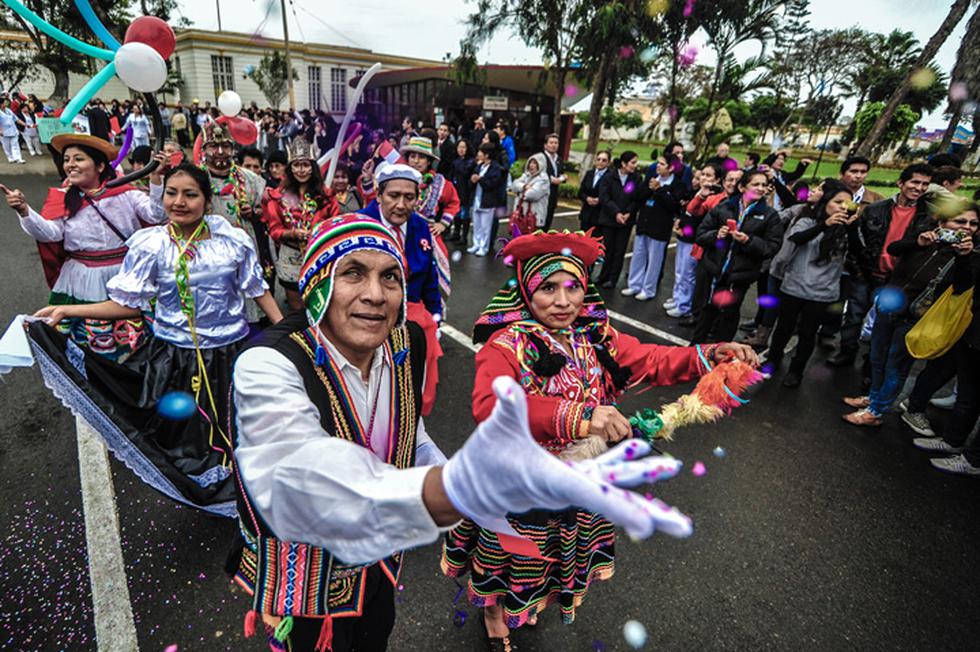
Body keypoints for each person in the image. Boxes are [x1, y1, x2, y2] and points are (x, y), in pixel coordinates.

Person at [227, 215, 693, 652]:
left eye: (390, 277)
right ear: (317, 283)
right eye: (353, 273)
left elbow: (411, 433)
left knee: (375, 634)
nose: (375, 294)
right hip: (306, 572)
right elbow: (299, 475)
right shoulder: (266, 362)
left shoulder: (403, 340)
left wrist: (467, 489)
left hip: (383, 559)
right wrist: (455, 487)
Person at [443, 230, 758, 650]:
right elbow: (490, 406)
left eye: (573, 287)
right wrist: (581, 417)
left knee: (552, 551)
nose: (563, 301)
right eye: (548, 288)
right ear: (525, 290)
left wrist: (711, 354)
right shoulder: (506, 345)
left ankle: (529, 599)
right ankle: (495, 613)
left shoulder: (592, 337)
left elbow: (653, 359)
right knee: (514, 552)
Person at [27, 163, 281, 515]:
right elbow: (127, 306)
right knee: (183, 440)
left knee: (238, 428)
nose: (179, 202)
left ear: (206, 201)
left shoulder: (234, 241)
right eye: (172, 193)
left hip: (229, 354)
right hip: (174, 359)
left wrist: (288, 334)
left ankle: (248, 495)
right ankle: (202, 492)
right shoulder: (151, 245)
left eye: (190, 194)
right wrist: (67, 312)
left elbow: (258, 290)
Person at [4, 134, 167, 358]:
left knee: (132, 343)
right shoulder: (62, 198)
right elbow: (50, 233)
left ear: (100, 165)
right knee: (86, 346)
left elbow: (156, 214)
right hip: (81, 279)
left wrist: (156, 179)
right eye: (67, 159)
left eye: (79, 159)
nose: (70, 164)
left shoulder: (126, 194)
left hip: (123, 274)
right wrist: (24, 211)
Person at [842, 202, 978, 426]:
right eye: (960, 221)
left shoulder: (971, 255)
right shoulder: (926, 239)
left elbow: (963, 287)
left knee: (895, 366)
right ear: (942, 223)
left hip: (915, 319)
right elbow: (893, 249)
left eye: (973, 223)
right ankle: (873, 398)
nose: (967, 227)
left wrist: (963, 256)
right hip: (888, 308)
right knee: (877, 358)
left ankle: (876, 412)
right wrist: (918, 242)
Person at [828, 163, 935, 367]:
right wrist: (858, 269)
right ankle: (847, 352)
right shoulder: (876, 209)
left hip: (897, 279)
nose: (919, 188)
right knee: (854, 316)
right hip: (866, 273)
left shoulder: (929, 217)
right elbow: (858, 242)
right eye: (915, 182)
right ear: (901, 183)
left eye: (925, 184)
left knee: (882, 324)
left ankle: (871, 363)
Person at [909, 211, 980, 475]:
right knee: (968, 397)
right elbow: (964, 286)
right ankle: (952, 442)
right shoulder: (974, 251)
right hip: (971, 333)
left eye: (974, 223)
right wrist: (964, 257)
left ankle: (973, 460)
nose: (969, 228)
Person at [765, 181, 856, 387]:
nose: (842, 207)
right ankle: (773, 360)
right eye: (837, 202)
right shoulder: (807, 220)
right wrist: (825, 224)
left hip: (822, 292)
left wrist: (852, 229)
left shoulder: (847, 229)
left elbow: (859, 252)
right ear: (825, 203)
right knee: (783, 328)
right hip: (794, 286)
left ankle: (796, 371)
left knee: (807, 334)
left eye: (847, 204)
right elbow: (797, 238)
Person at [691, 168, 783, 344]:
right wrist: (716, 234)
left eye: (764, 185)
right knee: (707, 311)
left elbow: (772, 247)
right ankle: (694, 350)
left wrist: (748, 241)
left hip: (740, 276)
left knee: (729, 315)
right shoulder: (724, 207)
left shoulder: (770, 216)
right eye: (755, 184)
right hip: (715, 271)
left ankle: (721, 356)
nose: (761, 188)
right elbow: (701, 235)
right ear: (742, 188)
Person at [199, 121, 271, 326]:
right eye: (213, 146)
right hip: (209, 245)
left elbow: (265, 209)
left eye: (226, 147)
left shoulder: (251, 179)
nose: (220, 152)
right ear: (204, 150)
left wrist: (254, 213)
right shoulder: (196, 178)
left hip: (243, 243)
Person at [262, 137, 339, 312]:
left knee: (319, 302)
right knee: (296, 307)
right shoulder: (277, 196)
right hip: (290, 256)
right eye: (297, 165)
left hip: (319, 253)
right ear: (290, 168)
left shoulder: (326, 196)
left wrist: (317, 234)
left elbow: (334, 225)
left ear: (313, 167)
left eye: (305, 165)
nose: (301, 170)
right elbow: (274, 230)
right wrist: (292, 234)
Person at [623, 154, 686, 301]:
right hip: (644, 224)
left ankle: (648, 289)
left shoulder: (678, 185)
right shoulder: (652, 178)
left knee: (654, 261)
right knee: (638, 256)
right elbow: (636, 196)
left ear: (671, 168)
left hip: (660, 228)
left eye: (662, 164)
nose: (658, 166)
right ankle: (634, 284)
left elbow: (673, 206)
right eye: (658, 163)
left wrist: (659, 190)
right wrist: (650, 188)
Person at [667, 162, 723, 319]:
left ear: (718, 180)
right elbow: (688, 211)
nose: (704, 178)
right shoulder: (698, 193)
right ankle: (678, 298)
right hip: (684, 237)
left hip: (695, 240)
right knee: (680, 272)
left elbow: (699, 218)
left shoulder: (716, 199)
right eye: (702, 174)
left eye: (708, 175)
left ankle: (684, 305)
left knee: (688, 274)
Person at [596, 151, 641, 289]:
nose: (635, 165)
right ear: (623, 163)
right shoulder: (609, 177)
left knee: (619, 251)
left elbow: (636, 198)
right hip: (610, 219)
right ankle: (603, 275)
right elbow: (605, 197)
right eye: (632, 162)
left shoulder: (636, 179)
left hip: (625, 221)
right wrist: (616, 213)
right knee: (608, 249)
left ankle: (613, 279)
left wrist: (628, 212)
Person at [469, 143, 506, 257]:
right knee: (477, 224)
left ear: (487, 154)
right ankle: (476, 244)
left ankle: (483, 246)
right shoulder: (480, 166)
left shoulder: (495, 168)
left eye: (480, 152)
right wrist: (473, 179)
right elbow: (473, 178)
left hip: (488, 201)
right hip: (477, 198)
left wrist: (480, 179)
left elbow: (492, 184)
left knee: (486, 226)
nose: (478, 154)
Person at [509, 152, 552, 231]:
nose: (531, 165)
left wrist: (519, 193)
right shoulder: (526, 175)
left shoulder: (543, 179)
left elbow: (531, 195)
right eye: (530, 162)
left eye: (535, 163)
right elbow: (513, 186)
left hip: (534, 219)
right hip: (521, 216)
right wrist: (524, 186)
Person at [448, 138, 475, 244]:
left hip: (465, 191)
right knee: (457, 214)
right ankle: (456, 233)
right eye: (459, 147)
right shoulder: (455, 160)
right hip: (456, 190)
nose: (461, 149)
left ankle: (464, 236)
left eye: (463, 147)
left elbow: (465, 172)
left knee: (465, 214)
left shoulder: (470, 161)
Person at [577, 150, 610, 232]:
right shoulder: (589, 173)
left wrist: (600, 200)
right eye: (598, 159)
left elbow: (611, 195)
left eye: (604, 160)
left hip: (600, 217)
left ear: (608, 163)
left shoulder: (610, 176)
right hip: (586, 215)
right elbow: (581, 192)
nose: (600, 162)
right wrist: (587, 198)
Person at [542, 133, 567, 231]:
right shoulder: (541, 158)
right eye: (551, 142)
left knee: (548, 222)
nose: (554, 145)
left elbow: (561, 173)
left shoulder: (559, 159)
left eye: (556, 143)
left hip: (553, 196)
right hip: (541, 195)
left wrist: (563, 178)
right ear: (545, 145)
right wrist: (551, 179)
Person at [0, 97, 26, 164]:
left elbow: (16, 119)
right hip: (4, 132)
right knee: (6, 146)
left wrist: (25, 124)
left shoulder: (9, 110)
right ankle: (10, 158)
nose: (6, 103)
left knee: (15, 145)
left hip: (13, 130)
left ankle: (18, 158)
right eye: (4, 102)